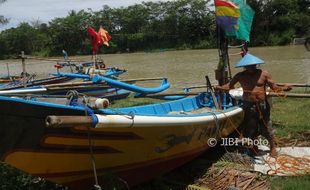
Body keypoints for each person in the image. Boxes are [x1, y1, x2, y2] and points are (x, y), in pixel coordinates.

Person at [215, 53, 291, 157]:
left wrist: (284, 88)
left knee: (266, 127)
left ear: (256, 65)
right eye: (248, 66)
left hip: (262, 105)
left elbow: (274, 87)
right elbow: (229, 86)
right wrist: (220, 88)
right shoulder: (240, 76)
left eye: (253, 65)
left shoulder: (264, 74)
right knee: (251, 128)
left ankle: (272, 147)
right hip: (248, 106)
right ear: (244, 67)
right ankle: (253, 147)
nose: (251, 67)